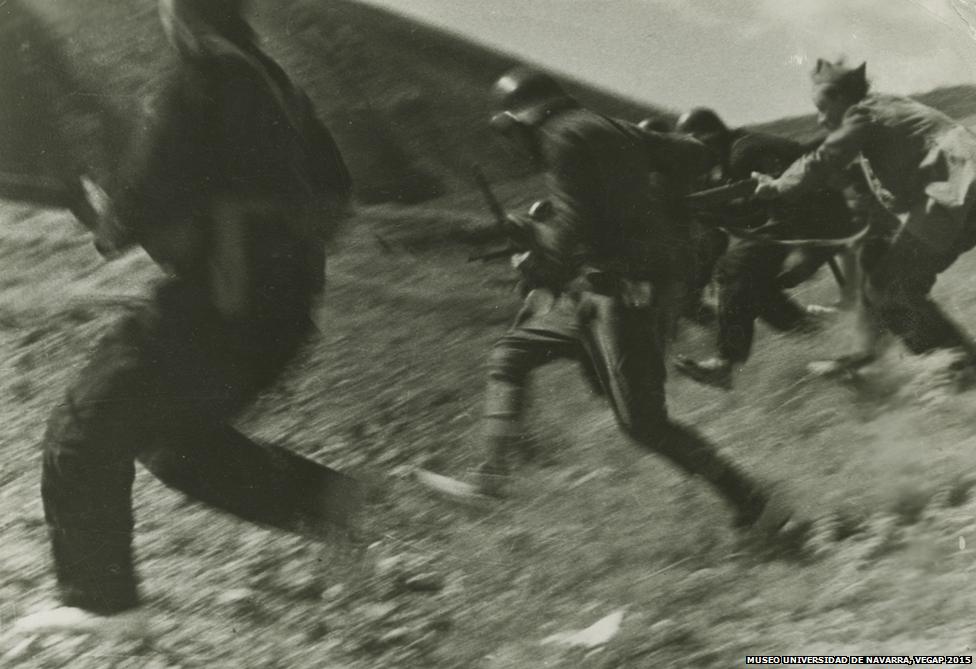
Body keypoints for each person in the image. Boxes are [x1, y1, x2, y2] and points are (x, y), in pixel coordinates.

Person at [14, 0, 359, 638]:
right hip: (282, 314)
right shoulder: (275, 81)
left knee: (82, 428)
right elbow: (336, 192)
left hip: (223, 307)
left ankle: (101, 601)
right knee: (172, 441)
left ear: (181, 13)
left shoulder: (198, 78)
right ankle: (354, 511)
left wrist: (106, 216)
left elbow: (141, 203)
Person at [471, 66, 789, 532]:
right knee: (511, 354)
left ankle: (755, 502)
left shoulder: (559, 140)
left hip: (622, 296)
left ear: (517, 121)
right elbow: (695, 154)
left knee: (644, 423)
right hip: (602, 291)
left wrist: (533, 238)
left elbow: (570, 232)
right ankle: (490, 483)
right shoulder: (609, 126)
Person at [754, 59, 976, 371]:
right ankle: (875, 356)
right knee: (884, 276)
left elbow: (825, 157)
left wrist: (778, 187)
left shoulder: (862, 114)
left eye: (823, 108)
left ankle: (957, 368)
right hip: (960, 190)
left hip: (956, 187)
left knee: (890, 286)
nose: (820, 120)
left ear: (843, 100)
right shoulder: (888, 108)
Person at [673, 107, 858, 390]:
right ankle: (821, 334)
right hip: (808, 219)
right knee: (753, 286)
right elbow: (754, 208)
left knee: (734, 268)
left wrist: (803, 250)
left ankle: (725, 363)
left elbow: (788, 192)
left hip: (816, 218)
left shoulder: (746, 151)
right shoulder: (734, 154)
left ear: (707, 139)